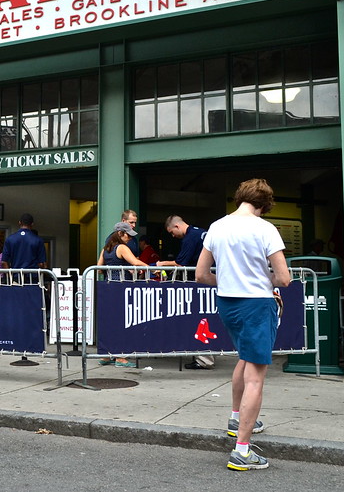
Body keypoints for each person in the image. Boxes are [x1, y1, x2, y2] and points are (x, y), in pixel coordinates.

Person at [196, 178, 290, 471]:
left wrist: (225, 281)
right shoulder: (265, 229)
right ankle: (242, 451)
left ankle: (237, 419)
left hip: (227, 302)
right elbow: (284, 278)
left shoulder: (217, 227)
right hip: (256, 304)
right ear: (264, 204)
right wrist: (268, 280)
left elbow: (201, 274)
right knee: (256, 376)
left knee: (244, 359)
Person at [157, 215, 212, 369]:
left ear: (177, 226)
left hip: (202, 282)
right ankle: (205, 357)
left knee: (200, 318)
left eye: (172, 232)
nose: (173, 236)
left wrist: (161, 264)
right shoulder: (200, 231)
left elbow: (180, 263)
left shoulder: (190, 238)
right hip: (212, 279)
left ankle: (204, 360)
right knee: (206, 318)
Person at [97, 222, 148, 368]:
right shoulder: (122, 247)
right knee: (122, 322)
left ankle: (106, 356)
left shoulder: (106, 249)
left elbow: (99, 268)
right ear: (120, 234)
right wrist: (150, 267)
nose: (130, 238)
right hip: (120, 288)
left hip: (108, 287)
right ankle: (120, 357)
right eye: (128, 235)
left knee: (110, 322)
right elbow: (135, 262)